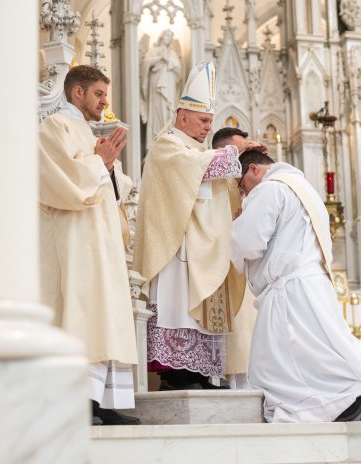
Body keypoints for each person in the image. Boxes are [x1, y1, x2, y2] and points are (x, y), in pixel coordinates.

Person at [231, 151, 361, 422]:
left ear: (252, 169)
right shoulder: (304, 189)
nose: (244, 193)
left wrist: (236, 222)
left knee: (271, 365)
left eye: (242, 186)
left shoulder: (270, 189)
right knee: (328, 346)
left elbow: (249, 243)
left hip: (289, 287)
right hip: (312, 280)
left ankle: (351, 396)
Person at [134, 62, 248, 391]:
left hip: (201, 246)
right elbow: (191, 169)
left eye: (210, 122)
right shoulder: (167, 144)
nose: (206, 128)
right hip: (175, 247)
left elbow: (213, 176)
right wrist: (232, 154)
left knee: (195, 309)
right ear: (183, 116)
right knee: (177, 308)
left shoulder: (199, 148)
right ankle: (175, 375)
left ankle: (198, 374)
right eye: (203, 121)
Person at [39, 65, 140, 425]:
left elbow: (113, 187)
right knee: (82, 313)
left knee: (103, 316)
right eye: (98, 93)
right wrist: (101, 162)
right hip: (74, 241)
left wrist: (108, 168)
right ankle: (78, 400)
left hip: (100, 241)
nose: (105, 101)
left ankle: (101, 400)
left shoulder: (86, 132)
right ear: (77, 93)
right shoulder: (55, 127)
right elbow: (60, 180)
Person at [211, 127, 265, 389]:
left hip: (252, 268)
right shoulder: (215, 183)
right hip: (225, 265)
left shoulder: (246, 187)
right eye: (238, 152)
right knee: (240, 335)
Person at [141, 29, 182, 145]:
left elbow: (179, 71)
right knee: (157, 112)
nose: (168, 37)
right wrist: (160, 58)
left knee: (169, 112)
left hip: (169, 87)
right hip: (156, 86)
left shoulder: (172, 53)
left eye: (170, 36)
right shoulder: (153, 50)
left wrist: (168, 60)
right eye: (167, 35)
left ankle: (169, 140)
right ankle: (156, 142)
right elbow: (146, 64)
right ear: (162, 36)